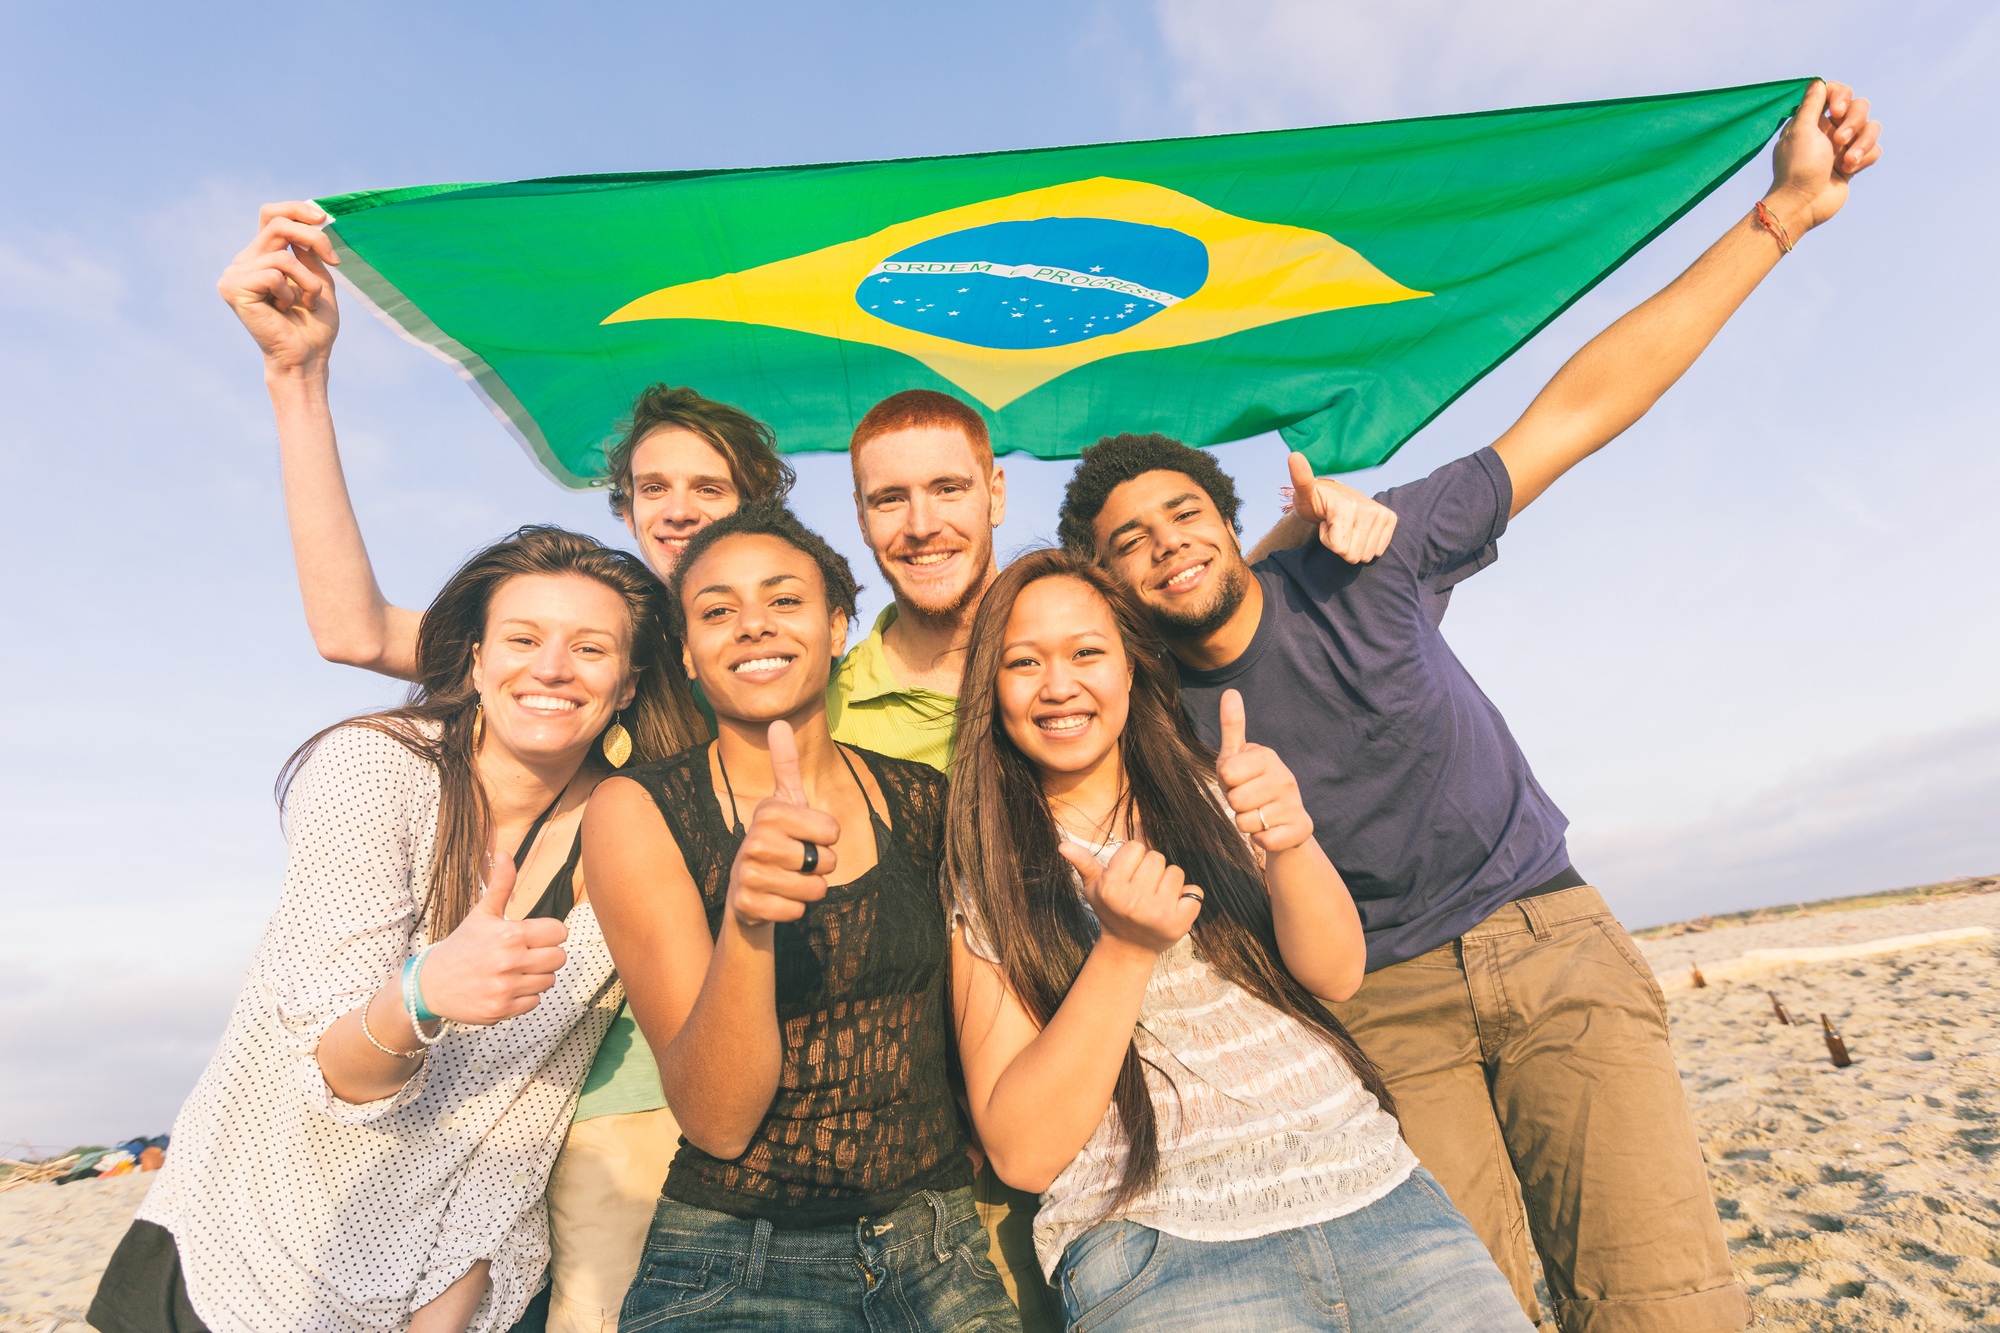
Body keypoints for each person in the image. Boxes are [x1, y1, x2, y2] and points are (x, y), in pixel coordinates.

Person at [1054, 81, 1882, 1333]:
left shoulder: (1366, 556)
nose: (1164, 545)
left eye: (1184, 514)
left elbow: (1578, 411)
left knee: (1665, 1303)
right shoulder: (1135, 712)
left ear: (1228, 522)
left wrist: (1783, 213)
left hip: (1541, 938)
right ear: (1103, 585)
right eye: (1126, 542)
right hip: (1374, 1010)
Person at [215, 202, 799, 1333]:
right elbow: (350, 625)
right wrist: (301, 381)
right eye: (652, 487)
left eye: (709, 487)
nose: (676, 506)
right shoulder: (577, 649)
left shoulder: (783, 651)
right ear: (624, 508)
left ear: (758, 504)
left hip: (748, 1069)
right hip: (587, 1093)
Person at [827, 388, 1393, 1328]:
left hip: (1339, 1162)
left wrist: (1306, 525)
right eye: (889, 500)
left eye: (946, 488)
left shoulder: (1183, 767)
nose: (922, 523)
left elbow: (1197, 588)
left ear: (996, 491)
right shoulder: (836, 719)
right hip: (1055, 1163)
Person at [91, 526, 703, 1333]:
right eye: (523, 638)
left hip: (434, 1274)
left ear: (626, 683)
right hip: (243, 1233)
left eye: (590, 647)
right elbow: (336, 1076)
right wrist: (421, 993)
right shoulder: (373, 769)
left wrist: (452, 1292)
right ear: (477, 661)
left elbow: (518, 1114)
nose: (551, 667)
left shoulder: (639, 834)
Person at [944, 549, 1531, 1331]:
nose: (1059, 684)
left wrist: (1292, 842)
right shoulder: (986, 870)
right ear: (991, 687)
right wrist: (1122, 948)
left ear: (1130, 667)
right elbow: (1022, 1151)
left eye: (1087, 652)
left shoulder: (1222, 787)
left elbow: (1338, 971)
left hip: (1378, 1193)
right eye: (1024, 662)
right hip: (1157, 1249)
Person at [583, 503, 1019, 1331]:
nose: (752, 625)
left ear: (838, 624)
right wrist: (747, 921)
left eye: (784, 600)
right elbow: (717, 1116)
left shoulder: (928, 799)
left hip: (940, 1246)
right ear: (685, 651)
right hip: (736, 1261)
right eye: (716, 610)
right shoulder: (636, 808)